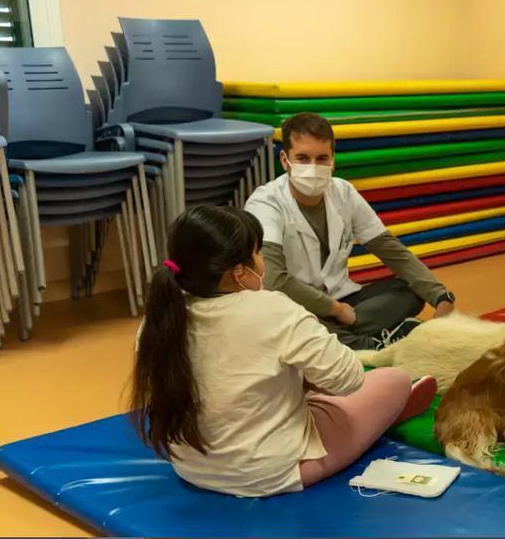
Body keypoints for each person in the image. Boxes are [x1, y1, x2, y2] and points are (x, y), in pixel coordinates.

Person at [129, 205, 437, 497]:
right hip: (269, 473)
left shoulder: (157, 321)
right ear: (238, 272)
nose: (262, 261)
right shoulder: (271, 308)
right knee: (393, 380)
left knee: (291, 383)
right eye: (257, 252)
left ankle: (361, 414)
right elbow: (350, 379)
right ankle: (380, 417)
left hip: (190, 468)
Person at [246, 113, 456, 351]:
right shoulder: (265, 203)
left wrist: (440, 296)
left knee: (409, 291)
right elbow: (273, 278)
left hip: (343, 301)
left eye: (322, 158)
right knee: (285, 325)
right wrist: (334, 309)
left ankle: (341, 340)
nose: (313, 168)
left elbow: (391, 251)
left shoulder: (344, 193)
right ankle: (374, 344)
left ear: (333, 160)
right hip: (292, 305)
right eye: (303, 158)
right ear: (285, 160)